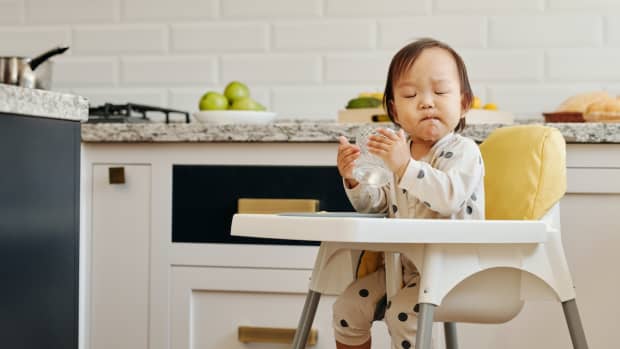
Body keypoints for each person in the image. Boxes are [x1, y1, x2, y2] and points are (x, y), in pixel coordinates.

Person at [334, 38, 486, 349]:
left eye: (441, 92)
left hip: (451, 269)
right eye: (410, 94)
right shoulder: (398, 155)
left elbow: (448, 198)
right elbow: (377, 204)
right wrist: (353, 180)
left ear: (464, 102)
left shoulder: (463, 151)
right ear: (394, 109)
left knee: (403, 314)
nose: (427, 102)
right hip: (401, 267)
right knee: (348, 308)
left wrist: (404, 166)